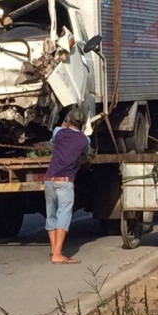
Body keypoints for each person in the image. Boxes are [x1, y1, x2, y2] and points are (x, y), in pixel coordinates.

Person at [44, 107, 90, 265]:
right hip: (65, 181)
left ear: (68, 120)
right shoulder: (84, 140)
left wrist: (64, 122)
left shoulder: (58, 132)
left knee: (51, 214)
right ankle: (58, 254)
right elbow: (87, 152)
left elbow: (54, 139)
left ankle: (54, 251)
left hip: (49, 179)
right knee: (63, 215)